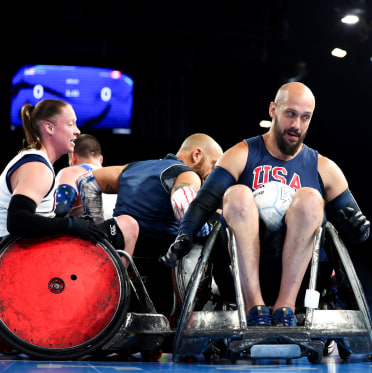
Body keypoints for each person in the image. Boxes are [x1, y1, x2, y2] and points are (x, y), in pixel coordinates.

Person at [160, 82, 370, 327]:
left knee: (311, 198)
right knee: (237, 193)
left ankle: (285, 308)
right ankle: (255, 307)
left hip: (304, 279)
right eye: (290, 114)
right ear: (273, 110)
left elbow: (360, 230)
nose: (297, 125)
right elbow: (203, 202)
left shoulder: (325, 168)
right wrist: (184, 234)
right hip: (239, 277)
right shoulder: (240, 154)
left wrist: (357, 229)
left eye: (305, 118)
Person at [77, 133, 223, 316]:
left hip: (120, 258)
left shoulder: (132, 167)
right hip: (161, 270)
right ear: (197, 155)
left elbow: (85, 182)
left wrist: (98, 229)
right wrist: (203, 230)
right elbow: (181, 201)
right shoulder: (187, 173)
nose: (214, 173)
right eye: (214, 164)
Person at [0, 100, 136, 257]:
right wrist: (70, 224)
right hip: (16, 258)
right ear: (49, 127)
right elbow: (17, 220)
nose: (77, 131)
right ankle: (120, 280)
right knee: (128, 225)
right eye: (71, 124)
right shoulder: (38, 167)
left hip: (27, 251)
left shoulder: (36, 162)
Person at [54, 133, 137, 264]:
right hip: (118, 249)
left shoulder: (72, 171)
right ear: (101, 159)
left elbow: (61, 206)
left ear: (73, 157)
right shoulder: (115, 179)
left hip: (86, 248)